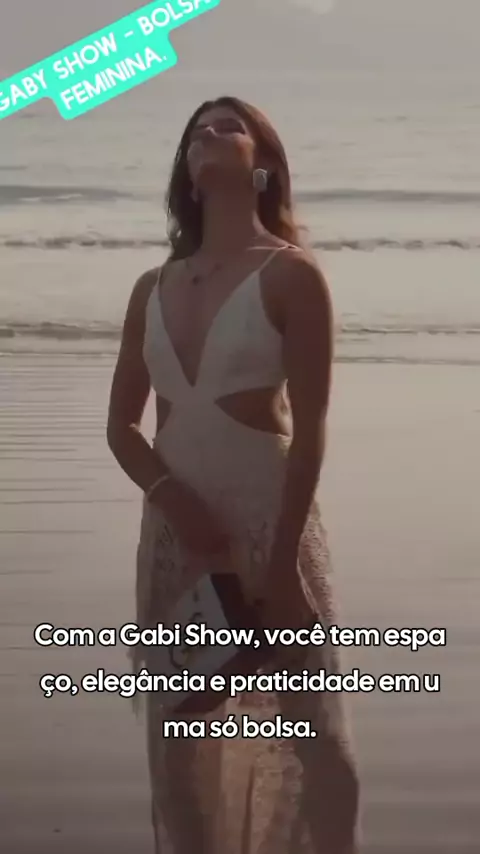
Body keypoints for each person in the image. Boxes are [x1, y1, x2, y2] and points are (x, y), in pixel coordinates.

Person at [106, 95, 359, 854]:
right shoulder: (151, 287)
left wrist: (280, 568)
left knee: (317, 747)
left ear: (263, 166)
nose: (209, 136)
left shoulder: (292, 276)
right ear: (187, 173)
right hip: (176, 541)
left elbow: (310, 431)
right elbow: (122, 427)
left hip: (269, 529)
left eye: (229, 127)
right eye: (197, 133)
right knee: (181, 750)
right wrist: (172, 499)